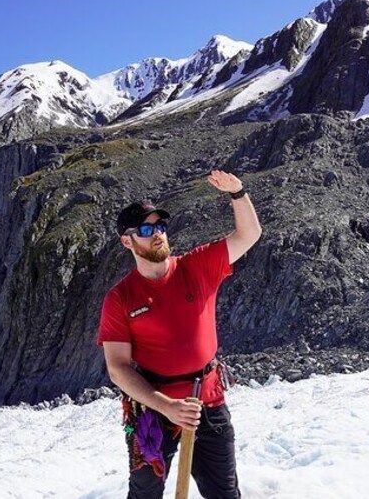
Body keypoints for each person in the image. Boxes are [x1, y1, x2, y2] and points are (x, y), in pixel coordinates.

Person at [97, 169, 262, 499]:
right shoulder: (120, 298)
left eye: (160, 226)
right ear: (127, 241)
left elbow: (249, 234)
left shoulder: (196, 266)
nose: (157, 233)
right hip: (151, 410)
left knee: (224, 493)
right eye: (146, 229)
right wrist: (166, 406)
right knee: (145, 494)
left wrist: (238, 193)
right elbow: (118, 368)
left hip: (207, 402)